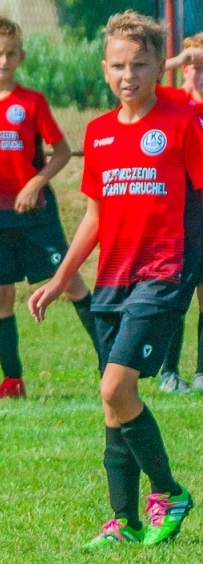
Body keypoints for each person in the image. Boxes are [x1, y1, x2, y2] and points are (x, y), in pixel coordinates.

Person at [29, 13, 198, 549]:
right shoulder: (100, 134)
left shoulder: (183, 121)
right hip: (113, 279)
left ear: (158, 68)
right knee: (112, 403)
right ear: (105, 70)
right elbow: (96, 215)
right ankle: (123, 521)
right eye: (119, 66)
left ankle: (168, 492)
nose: (129, 75)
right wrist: (60, 279)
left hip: (164, 273)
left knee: (114, 387)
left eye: (141, 64)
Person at [0, 17, 99, 401]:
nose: (3, 61)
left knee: (70, 282)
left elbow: (63, 151)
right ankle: (12, 380)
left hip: (36, 217)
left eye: (11, 54)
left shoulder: (31, 102)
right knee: (1, 295)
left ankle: (110, 361)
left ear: (22, 57)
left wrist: (36, 182)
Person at [157, 35, 203, 394]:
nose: (201, 74)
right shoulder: (176, 103)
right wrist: (180, 58)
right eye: (196, 67)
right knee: (177, 297)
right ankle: (168, 371)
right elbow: (144, 81)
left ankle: (202, 371)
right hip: (183, 217)